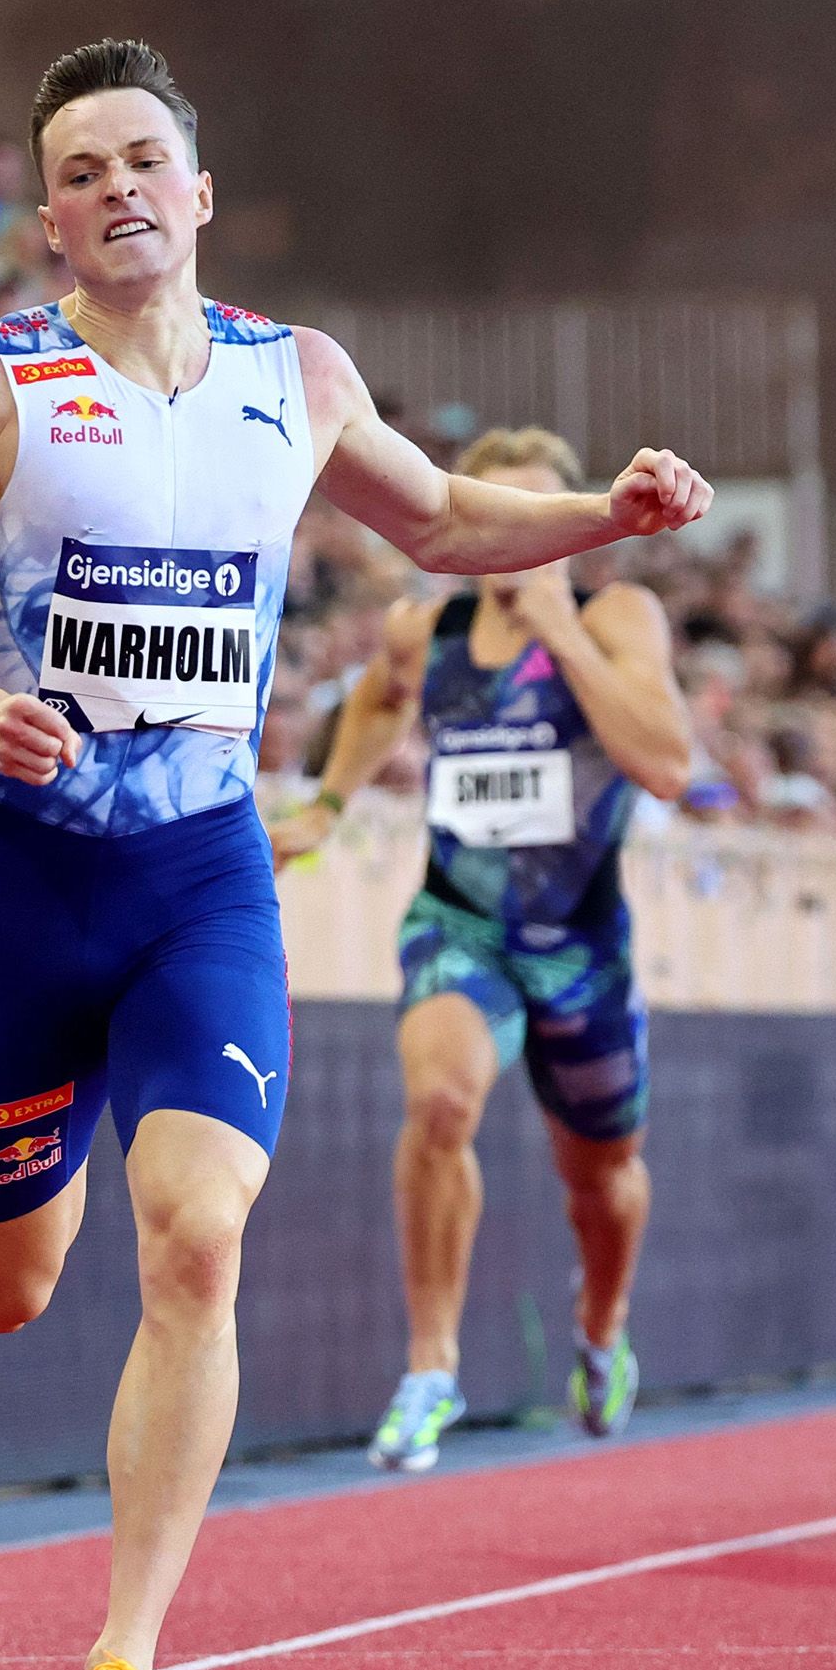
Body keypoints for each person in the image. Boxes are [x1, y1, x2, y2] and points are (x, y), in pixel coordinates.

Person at [0, 38, 711, 1670]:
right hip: (23, 884)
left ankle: (123, 1662)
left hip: (199, 883)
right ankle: (56, 1135)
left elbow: (448, 516)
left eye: (144, 159)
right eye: (82, 169)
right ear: (47, 220)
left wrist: (598, 513)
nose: (118, 190)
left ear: (201, 192)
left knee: (198, 1238)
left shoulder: (295, 377)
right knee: (9, 1293)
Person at [272, 425, 694, 1474]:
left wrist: (568, 633)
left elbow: (668, 766)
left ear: (572, 533)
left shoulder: (616, 614)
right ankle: (431, 1366)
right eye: (495, 520)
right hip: (460, 924)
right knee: (441, 1102)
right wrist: (327, 804)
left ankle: (600, 1327)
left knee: (602, 1179)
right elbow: (375, 697)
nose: (516, 547)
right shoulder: (429, 628)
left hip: (581, 947)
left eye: (536, 526)